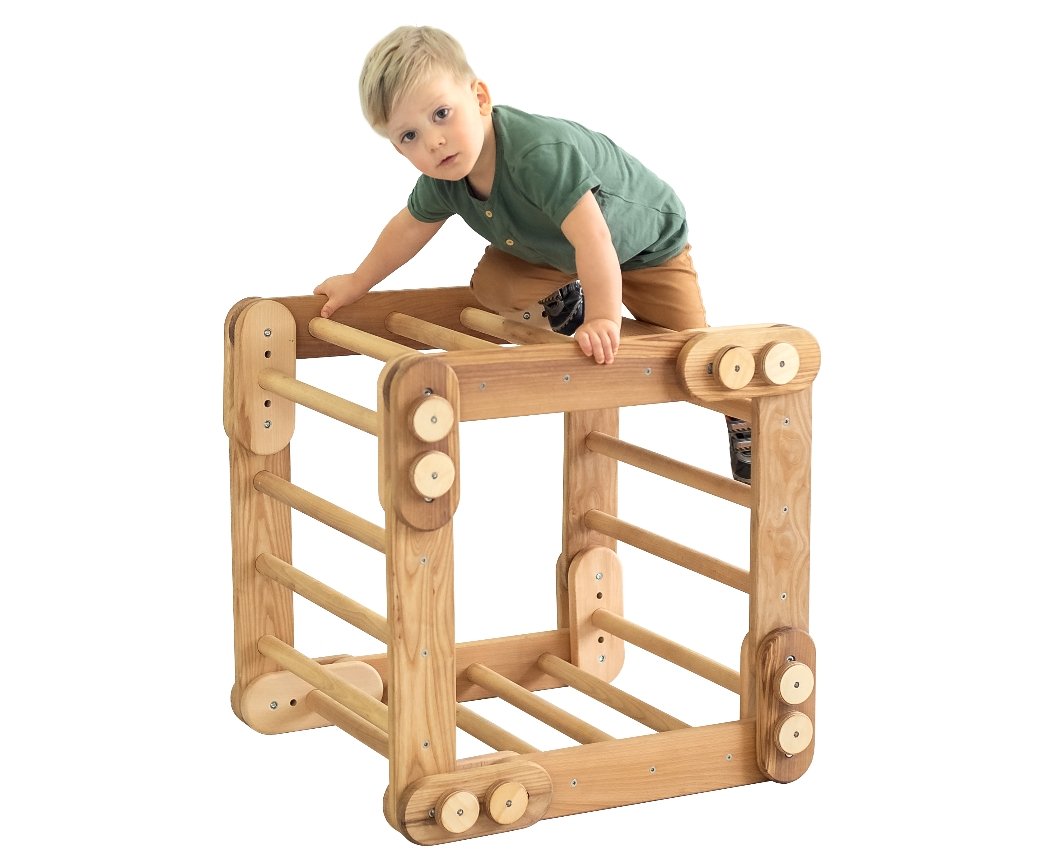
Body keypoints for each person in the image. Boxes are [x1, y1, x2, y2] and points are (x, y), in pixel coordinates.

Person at [313, 25, 751, 483]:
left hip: (643, 246)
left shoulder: (536, 155)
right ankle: (567, 301)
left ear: (479, 98)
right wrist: (356, 282)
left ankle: (741, 412)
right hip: (555, 253)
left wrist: (604, 318)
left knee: (694, 356)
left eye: (441, 114)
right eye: (409, 136)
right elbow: (407, 229)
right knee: (494, 287)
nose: (433, 141)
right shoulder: (444, 179)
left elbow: (595, 240)